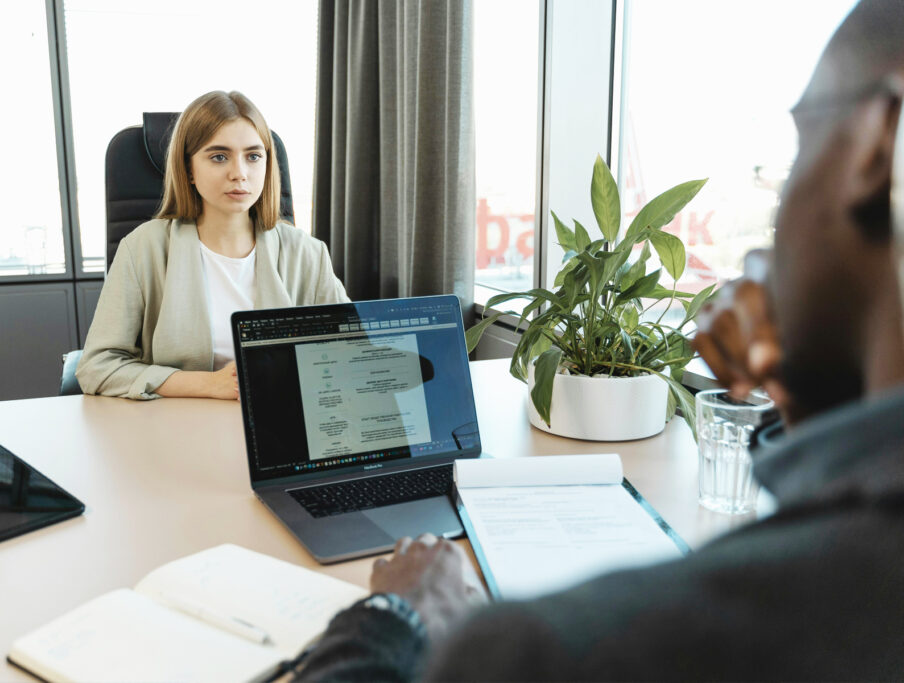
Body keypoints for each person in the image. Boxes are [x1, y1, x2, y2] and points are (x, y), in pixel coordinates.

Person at [293, 1, 904, 679]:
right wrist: (808, 387)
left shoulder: (548, 649)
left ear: (877, 143)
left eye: (797, 147)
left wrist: (390, 617)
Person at [77, 91, 349, 401]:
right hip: (176, 427)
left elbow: (353, 350)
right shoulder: (143, 248)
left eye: (253, 156)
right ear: (189, 169)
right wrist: (210, 385)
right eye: (219, 156)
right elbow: (97, 366)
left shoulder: (307, 254)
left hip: (280, 424)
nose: (239, 173)